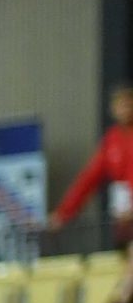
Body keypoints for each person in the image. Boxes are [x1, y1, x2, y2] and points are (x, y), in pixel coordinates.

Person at [51, 84, 133, 242]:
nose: (125, 109)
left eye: (129, 104)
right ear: (113, 108)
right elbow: (88, 178)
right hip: (123, 216)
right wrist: (63, 213)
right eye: (121, 105)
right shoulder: (111, 140)